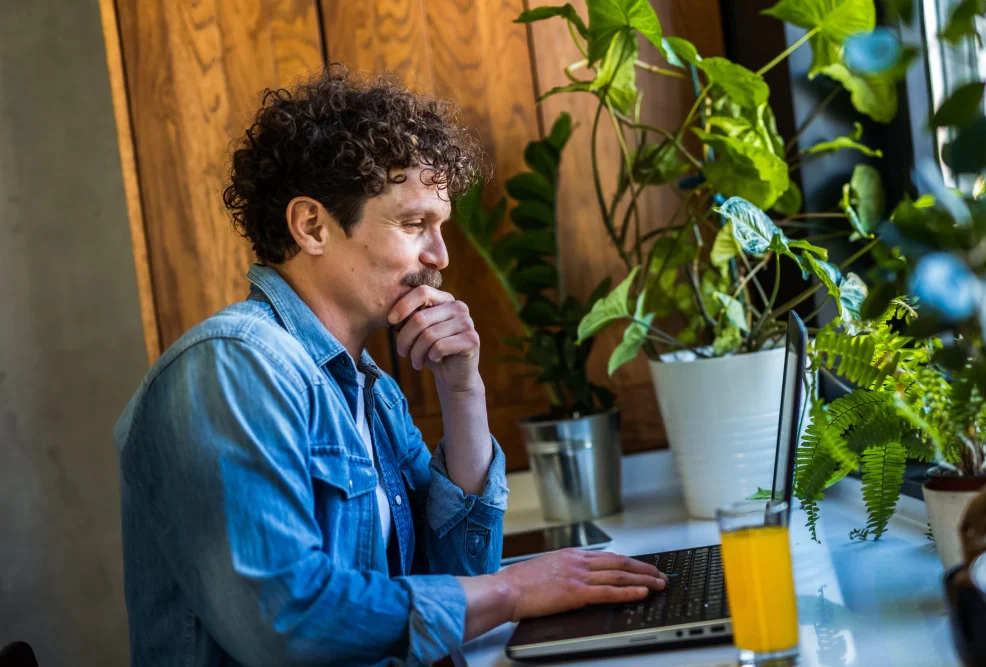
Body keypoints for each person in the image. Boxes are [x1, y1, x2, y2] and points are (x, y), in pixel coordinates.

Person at [113, 65, 666, 667]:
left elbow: (457, 571)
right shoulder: (232, 368)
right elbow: (285, 623)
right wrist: (514, 591)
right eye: (413, 224)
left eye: (440, 226)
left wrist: (463, 391)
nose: (441, 255)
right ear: (312, 225)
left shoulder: (368, 389)